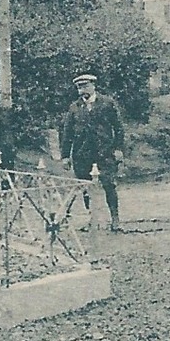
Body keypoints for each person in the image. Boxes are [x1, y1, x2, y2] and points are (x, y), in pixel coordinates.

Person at [60, 72, 126, 230]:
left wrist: (118, 148)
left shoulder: (107, 103)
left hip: (105, 152)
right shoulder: (74, 107)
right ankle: (92, 218)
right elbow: (67, 133)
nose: (82, 90)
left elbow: (118, 128)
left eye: (85, 86)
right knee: (86, 187)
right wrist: (65, 157)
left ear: (93, 86)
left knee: (109, 185)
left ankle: (115, 219)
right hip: (82, 155)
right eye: (79, 88)